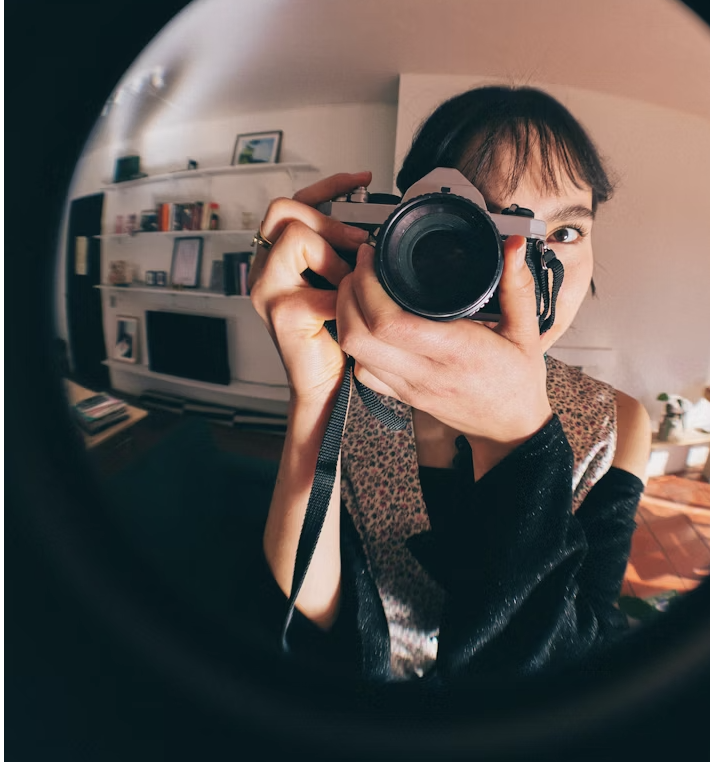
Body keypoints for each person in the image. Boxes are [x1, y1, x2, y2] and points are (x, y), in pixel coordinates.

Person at [249, 86, 652, 683]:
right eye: (485, 228)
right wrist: (313, 396)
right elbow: (317, 618)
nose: (524, 268)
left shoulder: (614, 423)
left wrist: (518, 442)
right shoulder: (355, 383)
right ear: (407, 230)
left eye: (564, 232)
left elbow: (581, 660)